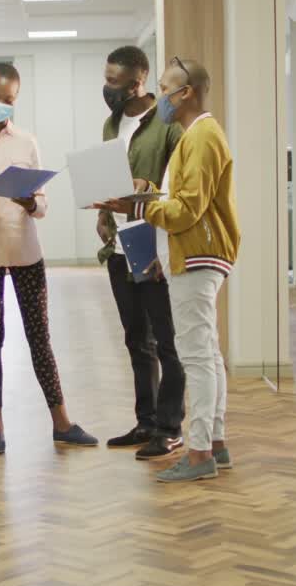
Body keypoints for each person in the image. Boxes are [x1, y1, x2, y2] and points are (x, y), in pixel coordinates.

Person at [96, 57, 241, 483]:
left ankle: (199, 454)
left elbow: (187, 209)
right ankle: (215, 445)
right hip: (192, 253)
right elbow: (183, 200)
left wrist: (138, 207)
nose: (159, 96)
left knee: (196, 357)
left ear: (186, 92)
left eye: (164, 89)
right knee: (207, 354)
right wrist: (148, 193)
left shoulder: (202, 136)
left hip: (198, 255)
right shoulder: (196, 137)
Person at [0, 64, 98, 454]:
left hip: (26, 252)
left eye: (8, 100)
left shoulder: (27, 142)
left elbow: (43, 205)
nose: (0, 104)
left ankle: (62, 423)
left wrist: (31, 202)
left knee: (39, 338)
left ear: (16, 99)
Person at [97, 46, 188, 461]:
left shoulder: (168, 125)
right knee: (136, 338)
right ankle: (146, 421)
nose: (107, 88)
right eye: (106, 79)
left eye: (113, 82)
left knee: (167, 340)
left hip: (152, 241)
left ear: (138, 81)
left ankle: (170, 427)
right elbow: (109, 178)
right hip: (119, 243)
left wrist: (147, 192)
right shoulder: (111, 124)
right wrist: (103, 214)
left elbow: (178, 188)